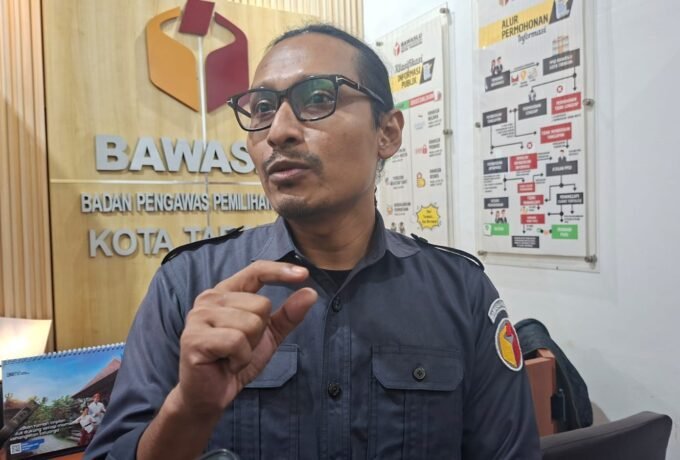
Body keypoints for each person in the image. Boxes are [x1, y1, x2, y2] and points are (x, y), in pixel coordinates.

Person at [85, 24, 539, 460]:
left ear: (387, 133)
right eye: (263, 108)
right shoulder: (188, 286)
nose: (278, 131)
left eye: (319, 98)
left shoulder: (461, 293)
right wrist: (188, 409)